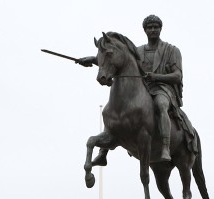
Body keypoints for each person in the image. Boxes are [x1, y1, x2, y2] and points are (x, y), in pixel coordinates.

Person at [78, 14, 183, 162]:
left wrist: (156, 77)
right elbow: (115, 58)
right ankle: (103, 152)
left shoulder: (171, 50)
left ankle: (165, 147)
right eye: (150, 27)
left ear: (161, 29)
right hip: (142, 88)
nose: (153, 30)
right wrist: (93, 59)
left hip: (162, 89)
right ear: (145, 30)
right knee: (115, 108)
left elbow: (177, 75)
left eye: (156, 27)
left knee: (161, 104)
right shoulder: (138, 51)